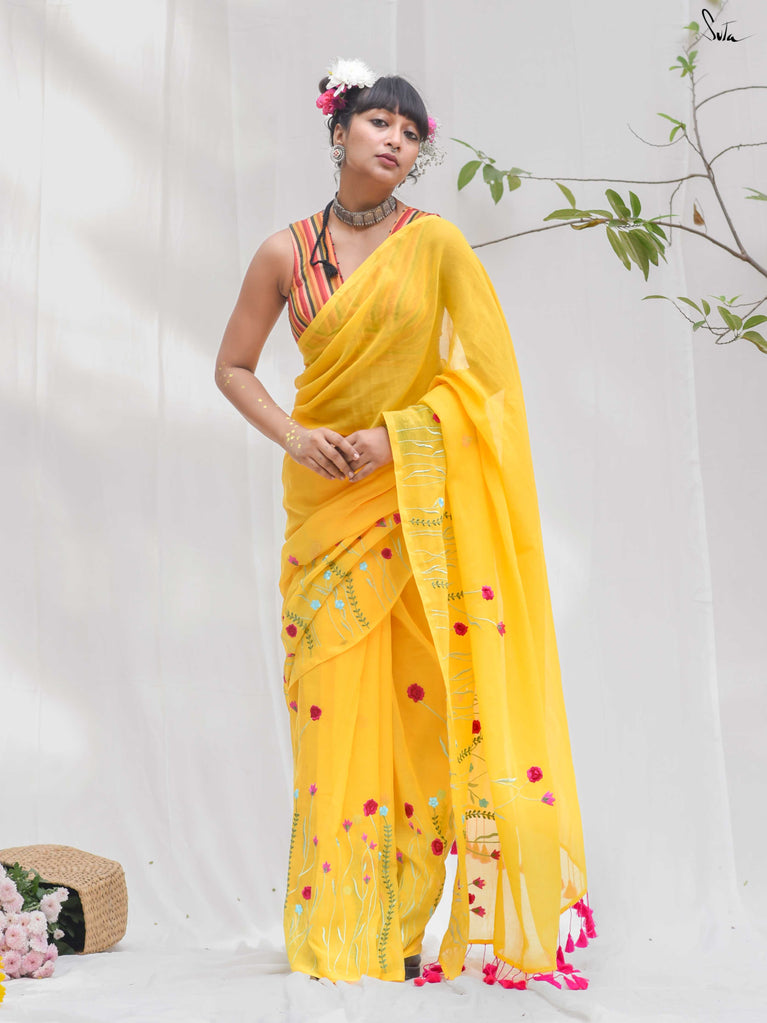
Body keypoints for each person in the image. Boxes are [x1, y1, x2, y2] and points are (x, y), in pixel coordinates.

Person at [215, 58, 592, 987]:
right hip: (321, 514)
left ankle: (405, 920)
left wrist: (395, 440)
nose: (395, 138)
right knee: (327, 711)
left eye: (411, 131)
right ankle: (337, 926)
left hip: (413, 507)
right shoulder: (282, 253)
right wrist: (296, 436)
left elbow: (488, 380)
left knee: (419, 718)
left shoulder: (436, 245)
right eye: (379, 121)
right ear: (337, 130)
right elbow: (233, 366)